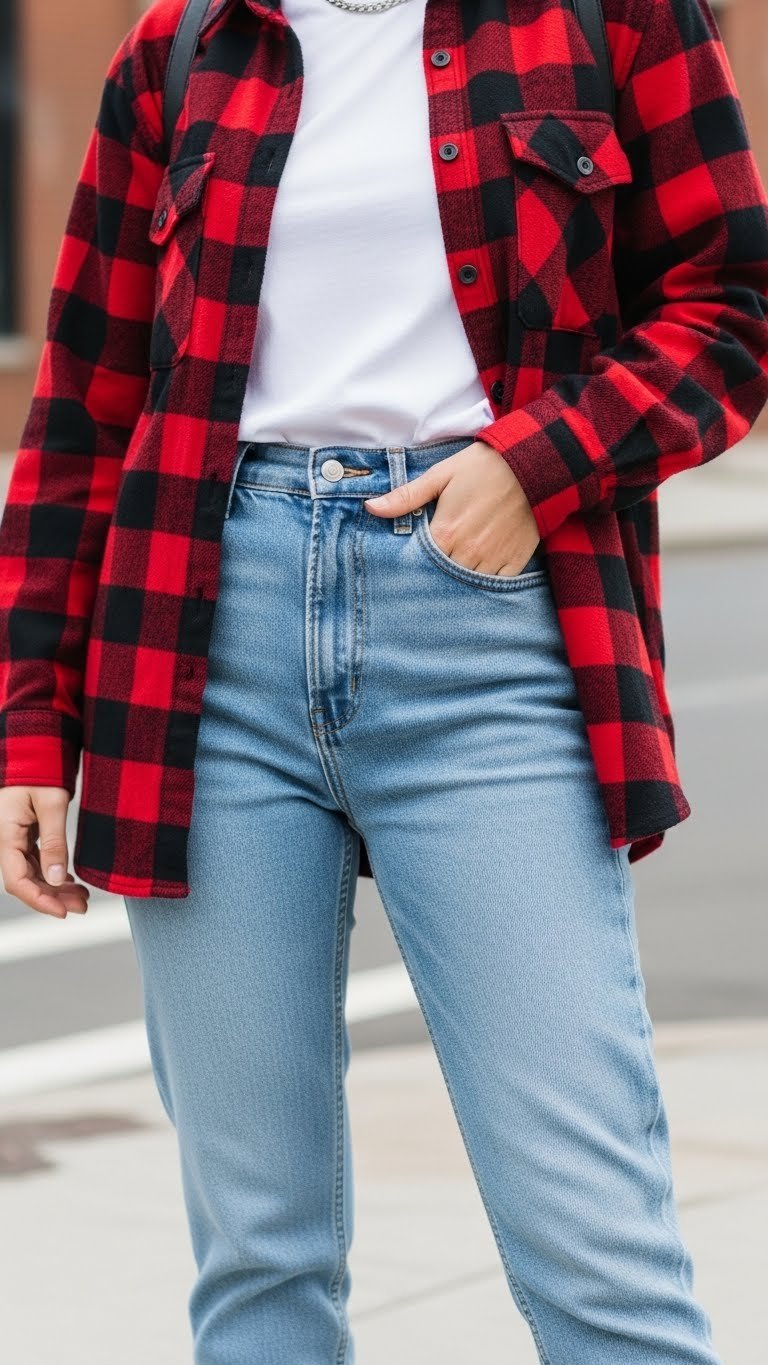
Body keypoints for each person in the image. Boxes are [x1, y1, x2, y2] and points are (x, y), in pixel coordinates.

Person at [1, 0, 767, 1358]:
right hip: (196, 647)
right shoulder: (181, 48)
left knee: (600, 1252)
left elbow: (731, 309)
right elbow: (81, 406)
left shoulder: (610, 16)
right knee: (260, 1258)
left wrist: (543, 461)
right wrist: (27, 724)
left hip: (490, 626)